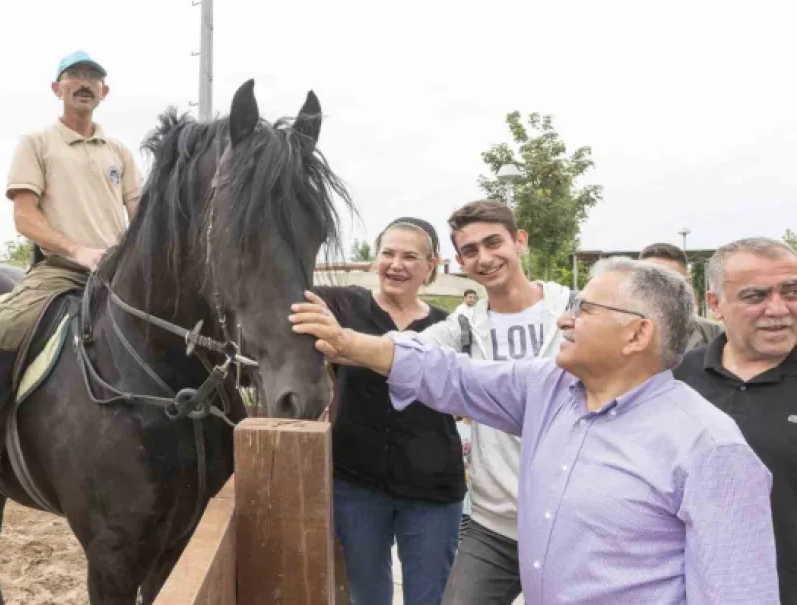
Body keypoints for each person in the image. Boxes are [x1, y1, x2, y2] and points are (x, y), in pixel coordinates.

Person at [291, 257, 780, 605]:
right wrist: (347, 343)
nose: (565, 318)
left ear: (638, 334)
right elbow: (451, 374)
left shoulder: (710, 448)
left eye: (585, 310)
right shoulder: (550, 387)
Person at [0, 50, 144, 497]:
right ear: (58, 89)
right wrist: (77, 249)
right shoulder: (37, 144)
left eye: (93, 78)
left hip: (116, 274)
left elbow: (140, 213)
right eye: (75, 77)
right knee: (8, 324)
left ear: (105, 92)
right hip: (61, 269)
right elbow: (25, 218)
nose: (85, 83)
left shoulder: (119, 153)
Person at [388, 200, 575, 605]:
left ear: (520, 241)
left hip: (575, 526)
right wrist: (342, 340)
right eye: (471, 250)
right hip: (495, 527)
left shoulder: (575, 313)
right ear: (459, 260)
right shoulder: (465, 327)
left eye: (494, 243)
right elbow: (403, 351)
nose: (485, 258)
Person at [315, 217, 462, 605]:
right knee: (368, 595)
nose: (396, 264)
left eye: (410, 256)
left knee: (429, 597)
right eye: (388, 253)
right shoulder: (342, 306)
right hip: (357, 484)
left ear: (431, 266)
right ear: (374, 260)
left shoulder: (447, 327)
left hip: (432, 489)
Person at [673, 237, 797, 603]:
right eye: (755, 296)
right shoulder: (675, 380)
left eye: (791, 291)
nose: (778, 309)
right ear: (715, 304)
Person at [638, 242, 723, 350]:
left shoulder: (713, 334)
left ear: (686, 284)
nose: (659, 288)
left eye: (670, 281)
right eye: (650, 279)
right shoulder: (618, 332)